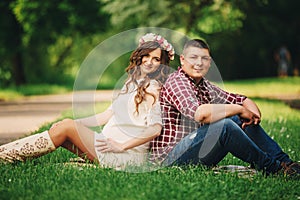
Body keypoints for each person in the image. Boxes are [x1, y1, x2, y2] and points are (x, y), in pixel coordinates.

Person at [0, 33, 175, 169]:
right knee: (66, 128)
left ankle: (4, 155)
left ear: (162, 63)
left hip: (126, 155)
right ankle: (7, 155)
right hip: (105, 144)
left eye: (156, 59)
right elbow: (106, 115)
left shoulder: (154, 88)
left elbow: (155, 128)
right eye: (147, 56)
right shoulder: (132, 83)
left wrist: (122, 146)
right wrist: (76, 123)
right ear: (140, 55)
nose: (150, 62)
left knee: (67, 128)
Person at [150, 39, 300, 177]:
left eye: (204, 58)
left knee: (236, 119)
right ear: (182, 60)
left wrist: (251, 115)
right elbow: (200, 114)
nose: (199, 63)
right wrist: (240, 110)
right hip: (171, 158)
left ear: (210, 62)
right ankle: (274, 169)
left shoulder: (204, 85)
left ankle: (287, 163)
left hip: (195, 147)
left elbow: (241, 99)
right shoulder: (177, 82)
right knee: (224, 126)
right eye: (193, 57)